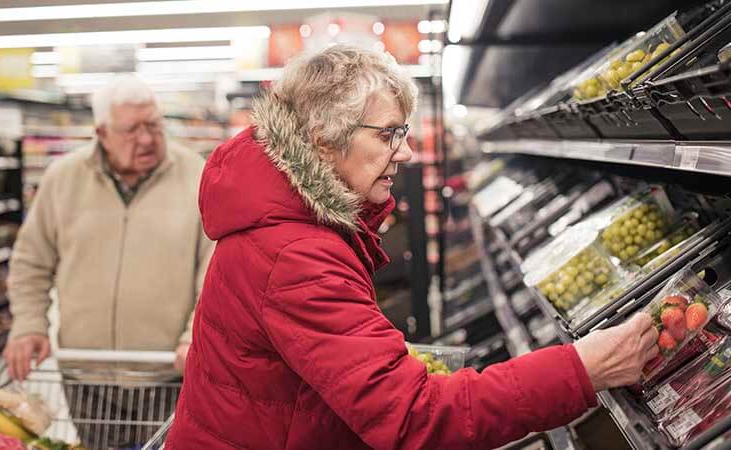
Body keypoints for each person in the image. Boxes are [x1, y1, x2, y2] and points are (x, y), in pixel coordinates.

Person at [166, 45, 659, 450]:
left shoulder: (288, 223)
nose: (405, 151)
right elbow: (411, 419)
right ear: (322, 142)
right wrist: (580, 370)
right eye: (388, 134)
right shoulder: (296, 254)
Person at [2, 75, 215, 447]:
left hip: (166, 374)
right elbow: (31, 262)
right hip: (85, 376)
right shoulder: (63, 178)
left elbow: (214, 273)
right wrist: (29, 323)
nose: (147, 139)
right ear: (101, 132)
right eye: (131, 130)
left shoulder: (197, 176)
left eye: (153, 125)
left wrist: (193, 336)